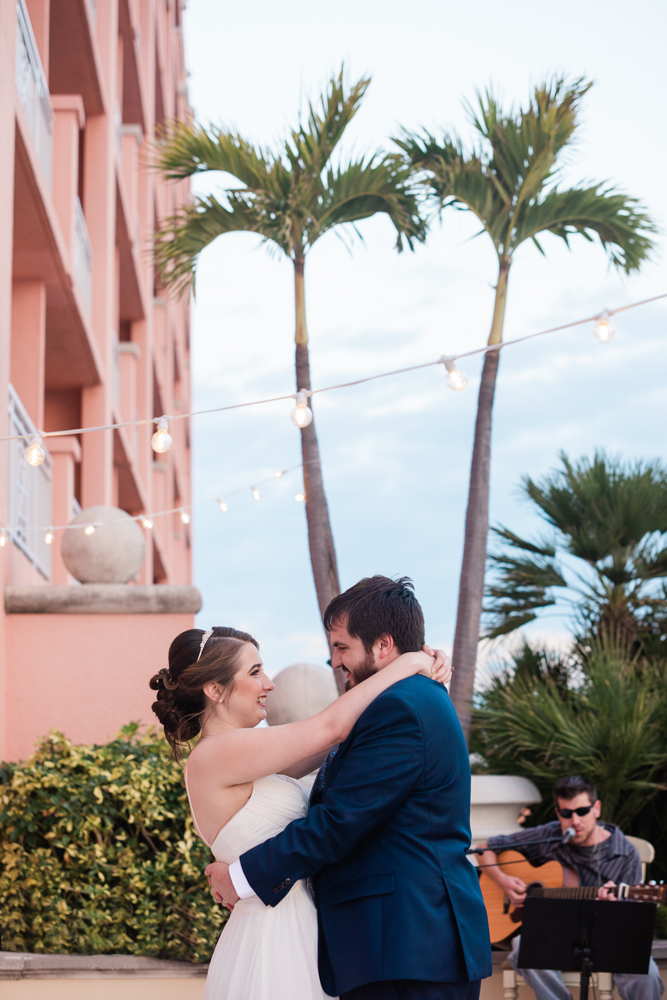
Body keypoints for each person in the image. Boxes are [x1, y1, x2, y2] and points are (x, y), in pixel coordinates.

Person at [207, 576, 492, 1000]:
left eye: (342, 647)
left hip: (407, 942)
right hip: (400, 944)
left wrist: (242, 876)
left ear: (383, 645)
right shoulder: (404, 699)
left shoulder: (400, 708)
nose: (335, 660)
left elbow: (340, 822)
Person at [150, 614, 452, 1000]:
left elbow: (337, 744)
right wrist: (409, 662)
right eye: (255, 671)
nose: (269, 683)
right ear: (215, 688)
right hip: (274, 938)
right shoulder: (217, 753)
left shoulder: (247, 757)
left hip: (295, 926)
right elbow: (331, 728)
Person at [477, 774, 664, 1000]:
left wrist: (612, 910)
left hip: (607, 938)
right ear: (558, 813)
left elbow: (632, 923)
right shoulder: (548, 836)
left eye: (582, 811)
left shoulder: (623, 853)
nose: (575, 821)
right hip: (554, 934)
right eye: (567, 813)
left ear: (596, 808)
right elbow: (483, 849)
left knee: (648, 974)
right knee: (522, 945)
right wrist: (503, 880)